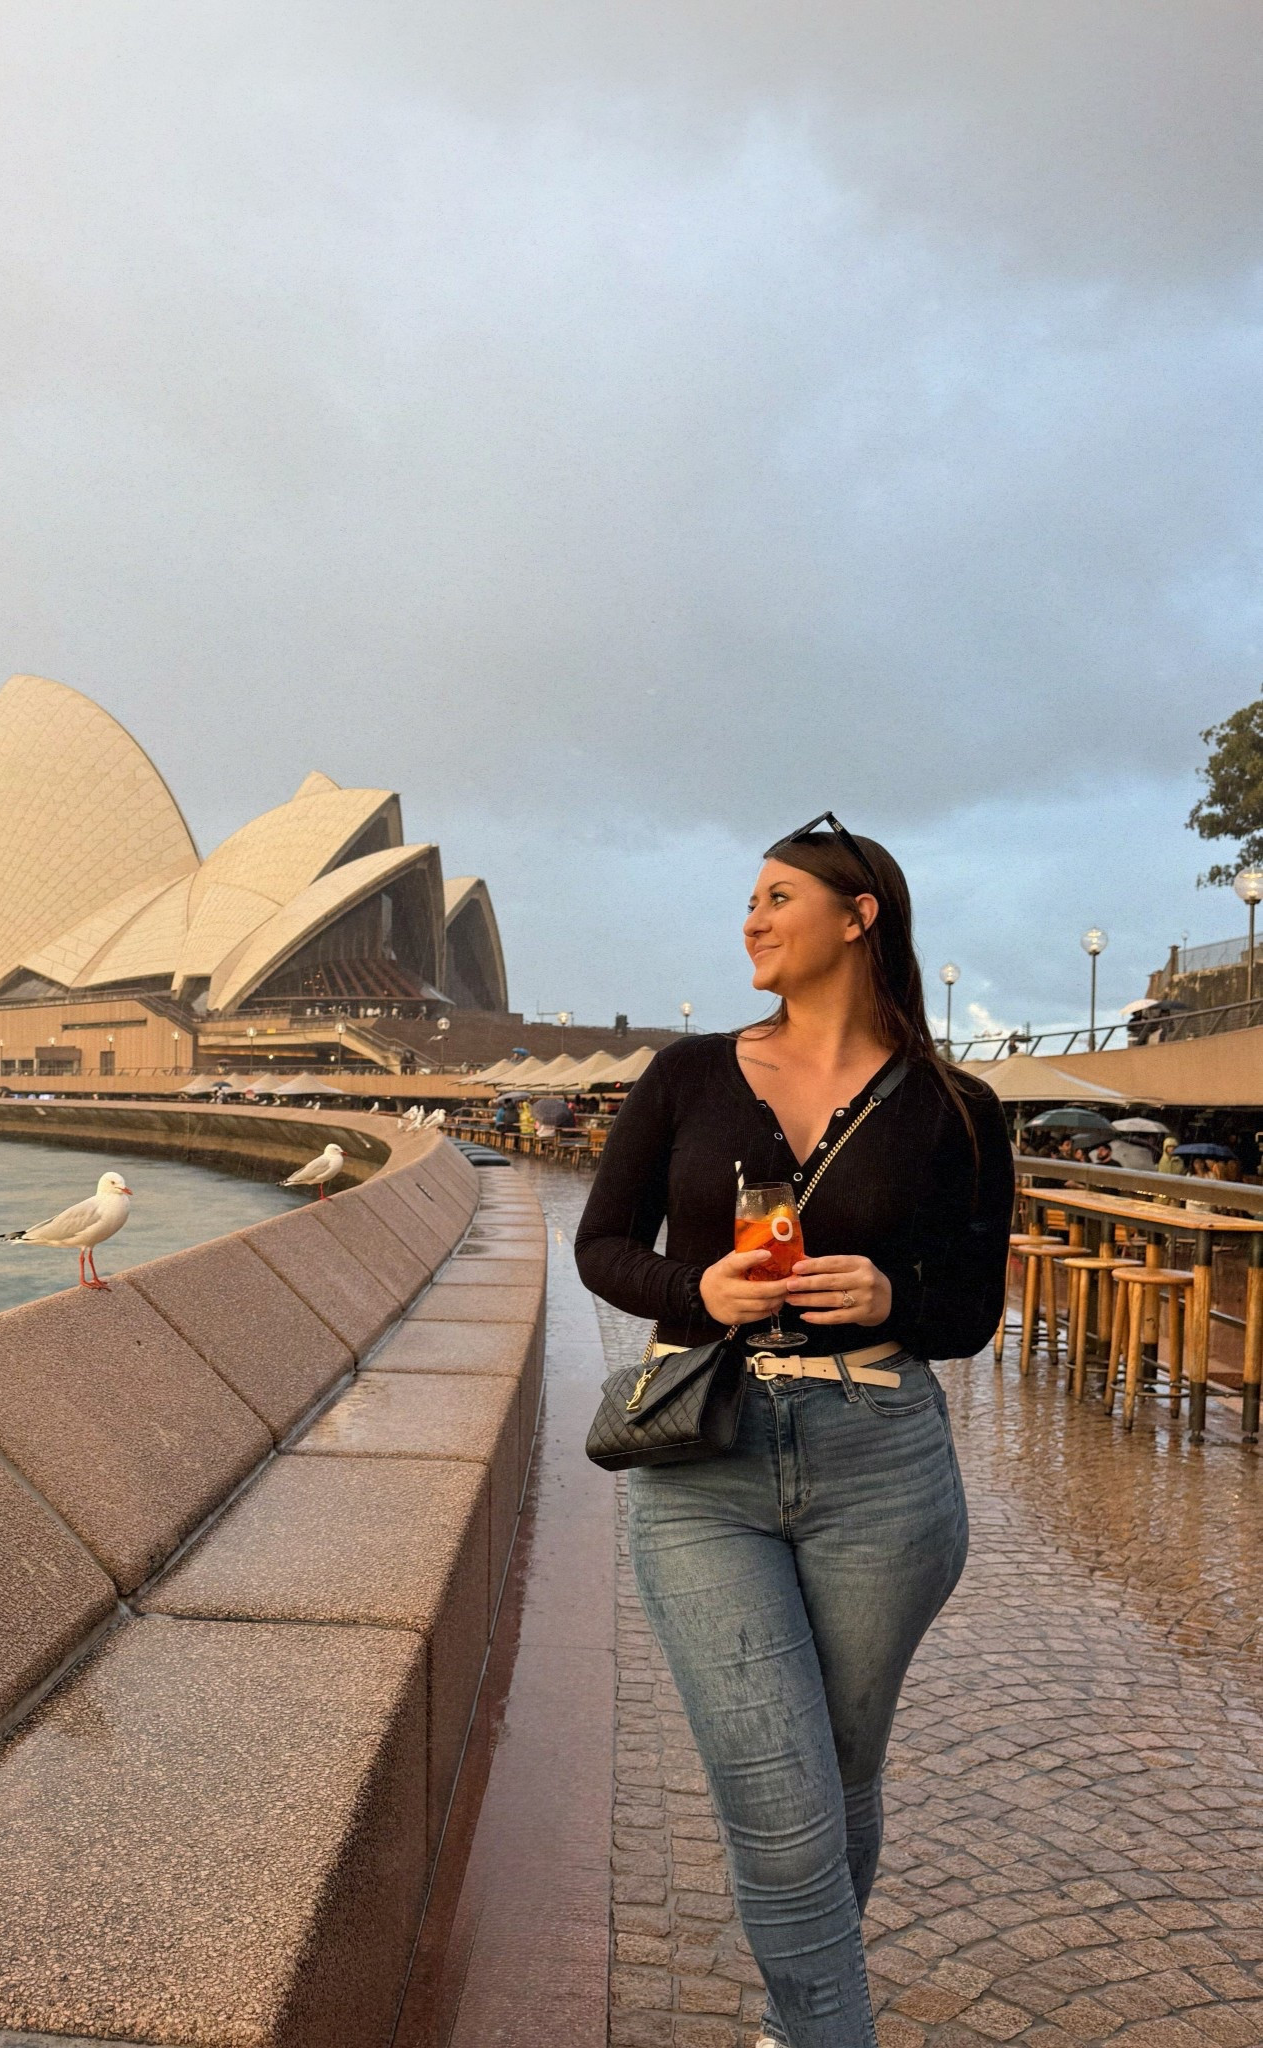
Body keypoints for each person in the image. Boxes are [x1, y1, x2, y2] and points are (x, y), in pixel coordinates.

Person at [575, 818, 1013, 2048]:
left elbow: (971, 1311)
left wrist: (889, 1296)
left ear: (859, 913)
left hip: (883, 1464)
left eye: (777, 897)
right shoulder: (688, 1075)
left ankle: (788, 2019)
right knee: (779, 1800)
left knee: (838, 1775)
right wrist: (696, 1291)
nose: (751, 920)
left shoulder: (957, 1108)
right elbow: (602, 1244)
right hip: (703, 1460)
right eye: (748, 901)